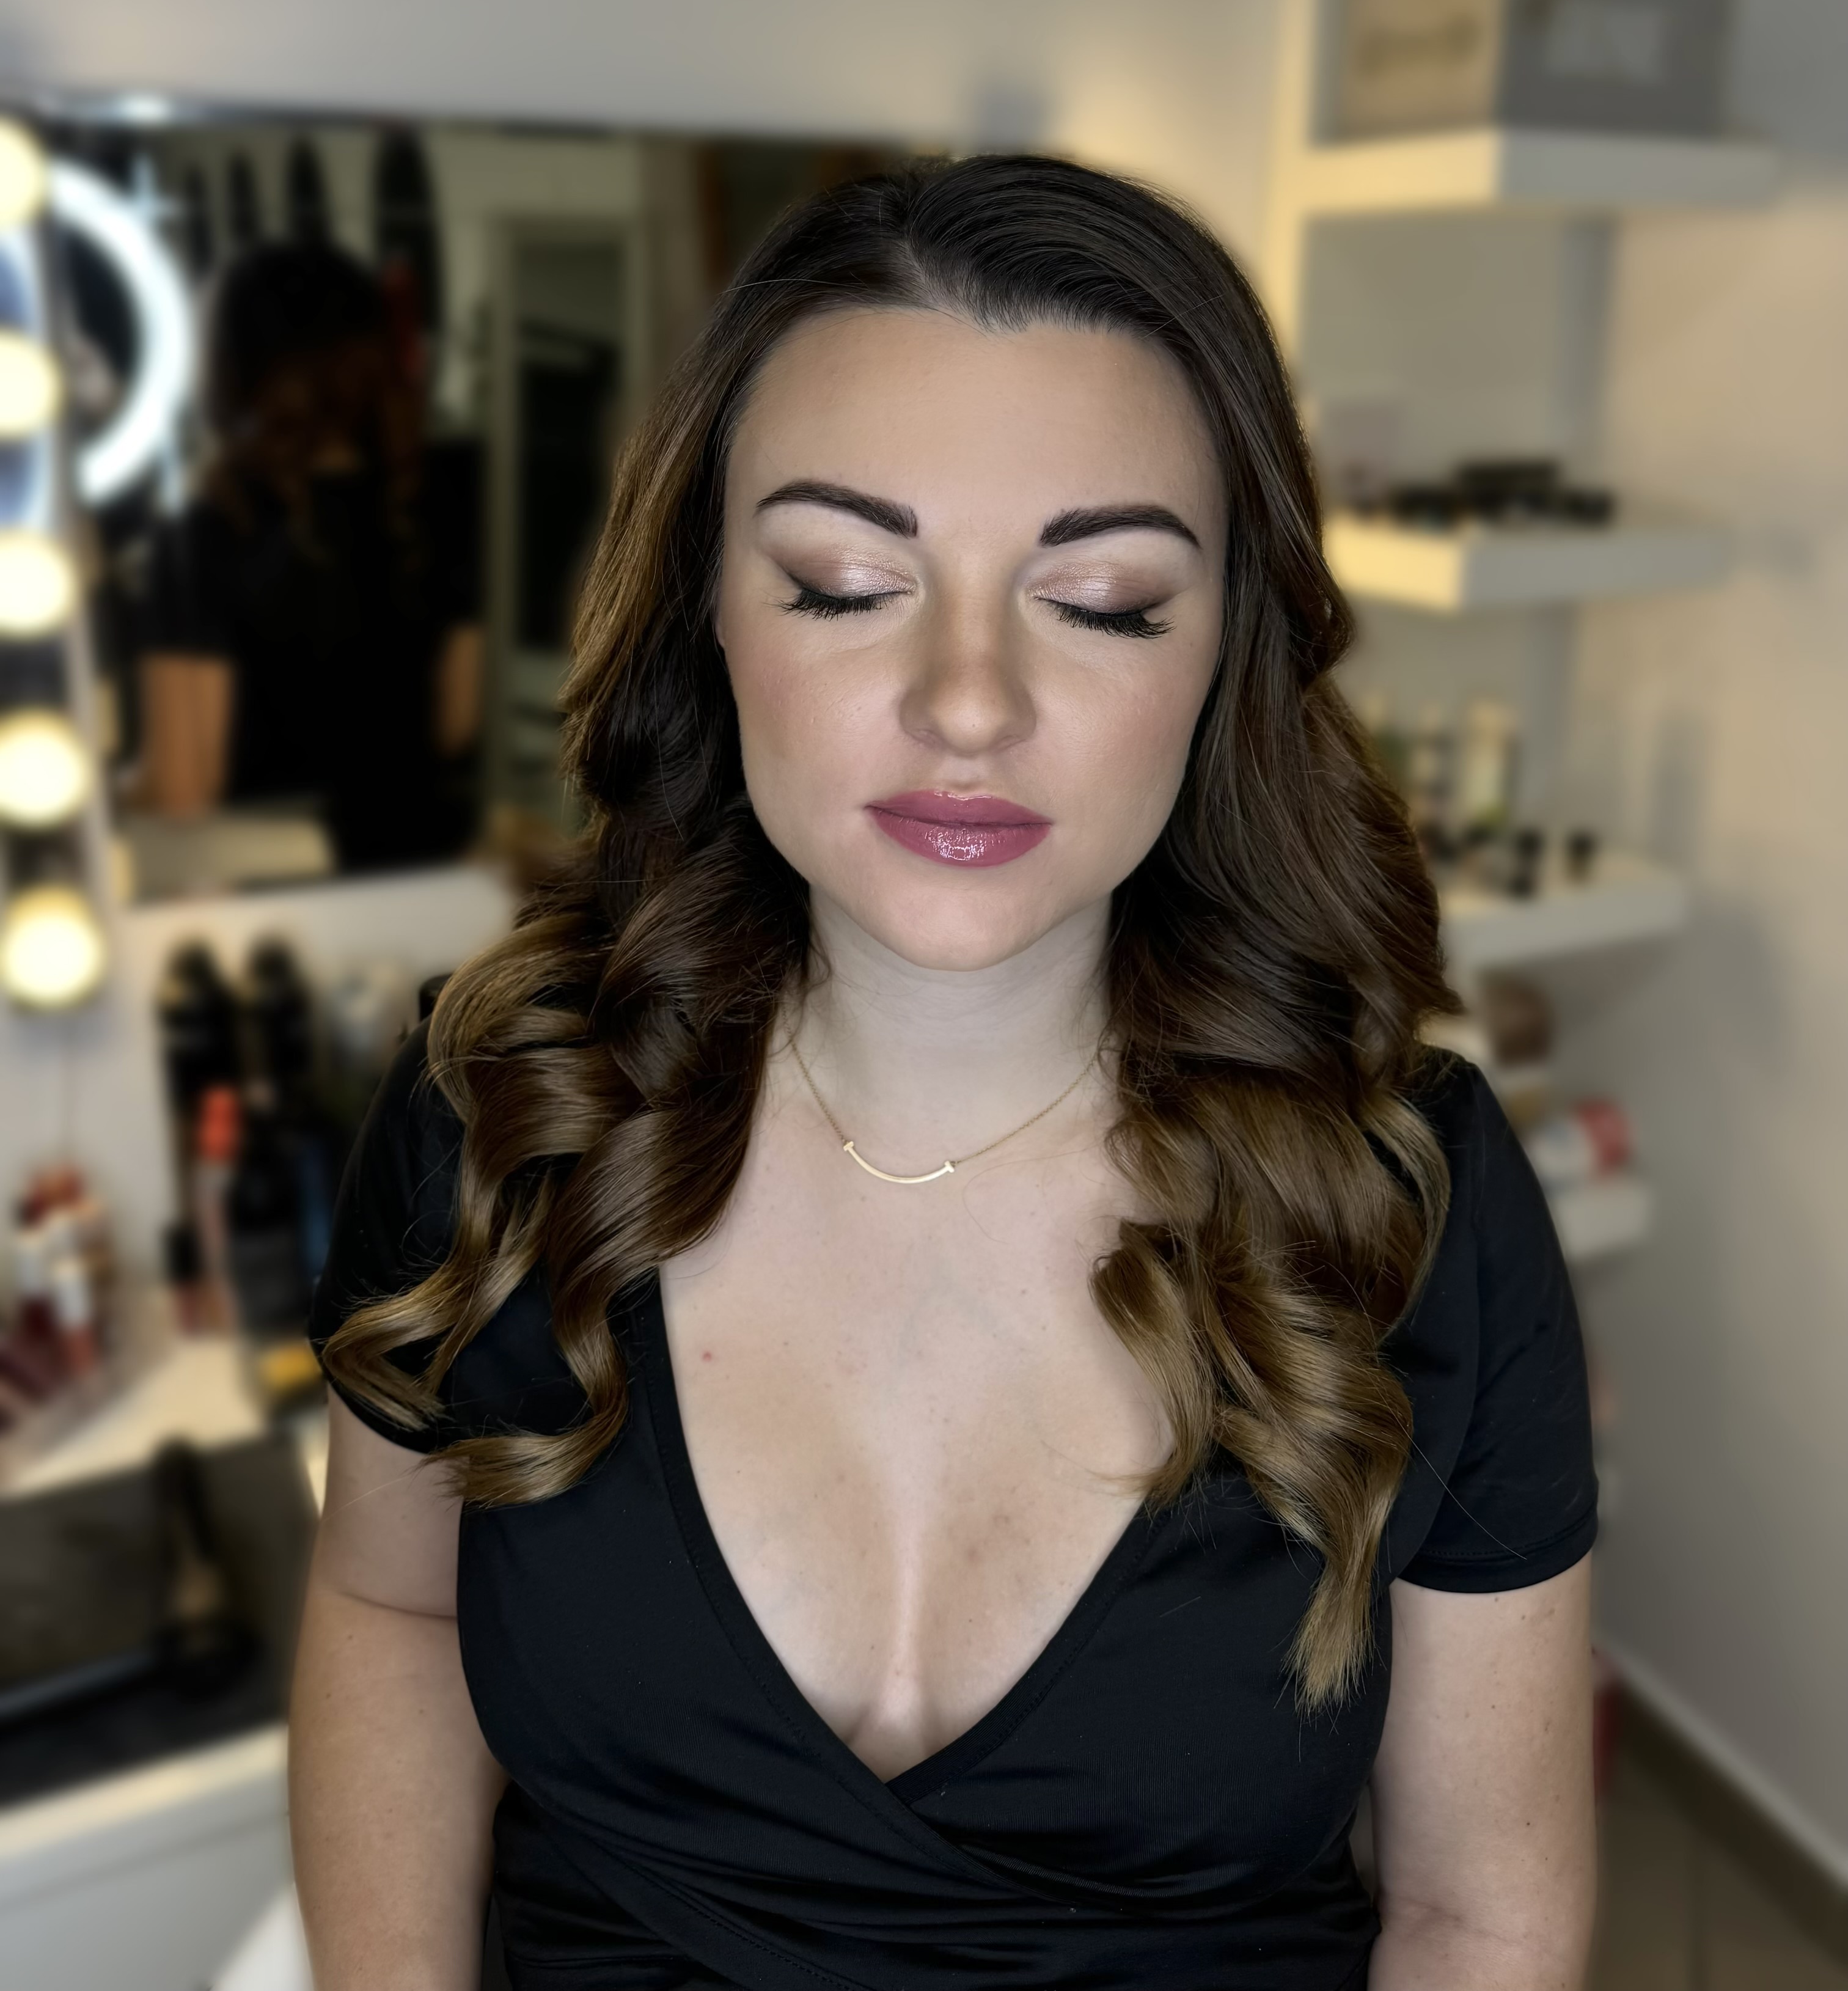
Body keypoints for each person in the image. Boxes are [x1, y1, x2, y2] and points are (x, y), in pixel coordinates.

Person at [295, 157, 1597, 1990]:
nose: (969, 701)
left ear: (1226, 650)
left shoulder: (1412, 1205)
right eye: (845, 584)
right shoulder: (500, 1114)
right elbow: (389, 1605)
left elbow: (1481, 1909)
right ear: (710, 609)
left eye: (1106, 600)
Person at [139, 239, 482, 873]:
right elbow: (457, 721)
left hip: (280, 887)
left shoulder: (203, 533)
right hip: (431, 866)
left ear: (230, 366)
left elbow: (183, 790)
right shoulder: (447, 498)